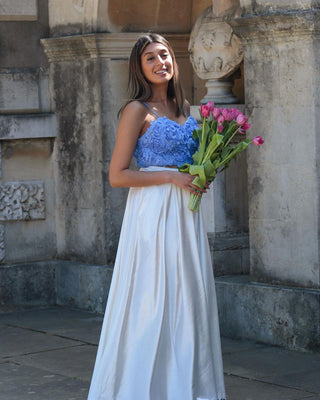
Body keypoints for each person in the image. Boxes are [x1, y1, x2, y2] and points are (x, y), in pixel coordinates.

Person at [87, 33, 226, 400]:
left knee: (188, 301)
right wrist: (171, 177)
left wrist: (201, 174)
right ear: (140, 67)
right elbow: (118, 175)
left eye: (164, 54)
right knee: (152, 301)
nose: (159, 62)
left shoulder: (186, 110)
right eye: (150, 58)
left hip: (185, 217)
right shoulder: (137, 110)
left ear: (173, 61)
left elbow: (194, 163)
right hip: (151, 215)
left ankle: (186, 389)